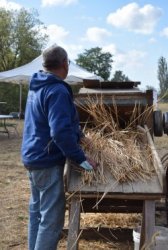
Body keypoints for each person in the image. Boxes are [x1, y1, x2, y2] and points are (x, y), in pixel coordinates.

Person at [21, 45, 96, 250]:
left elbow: (54, 121)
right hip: (47, 161)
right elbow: (60, 132)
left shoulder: (38, 85)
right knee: (51, 221)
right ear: (65, 63)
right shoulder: (57, 90)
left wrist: (81, 136)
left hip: (32, 158)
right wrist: (81, 158)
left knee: (37, 214)